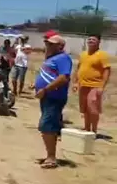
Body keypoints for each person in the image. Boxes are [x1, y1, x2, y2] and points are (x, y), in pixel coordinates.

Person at [35, 35, 71, 169]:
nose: (47, 46)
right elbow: (48, 74)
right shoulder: (51, 58)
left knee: (46, 125)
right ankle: (49, 155)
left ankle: (51, 158)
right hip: (47, 96)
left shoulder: (63, 58)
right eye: (47, 44)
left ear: (60, 46)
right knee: (49, 125)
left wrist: (45, 89)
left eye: (51, 44)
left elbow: (63, 78)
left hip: (54, 97)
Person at [75, 34, 111, 134]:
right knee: (85, 108)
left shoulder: (102, 55)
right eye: (89, 39)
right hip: (83, 85)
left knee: (93, 108)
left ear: (99, 42)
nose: (90, 41)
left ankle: (94, 130)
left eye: (93, 39)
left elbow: (107, 70)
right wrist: (75, 82)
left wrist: (102, 86)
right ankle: (87, 128)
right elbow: (78, 68)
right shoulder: (83, 54)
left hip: (95, 85)